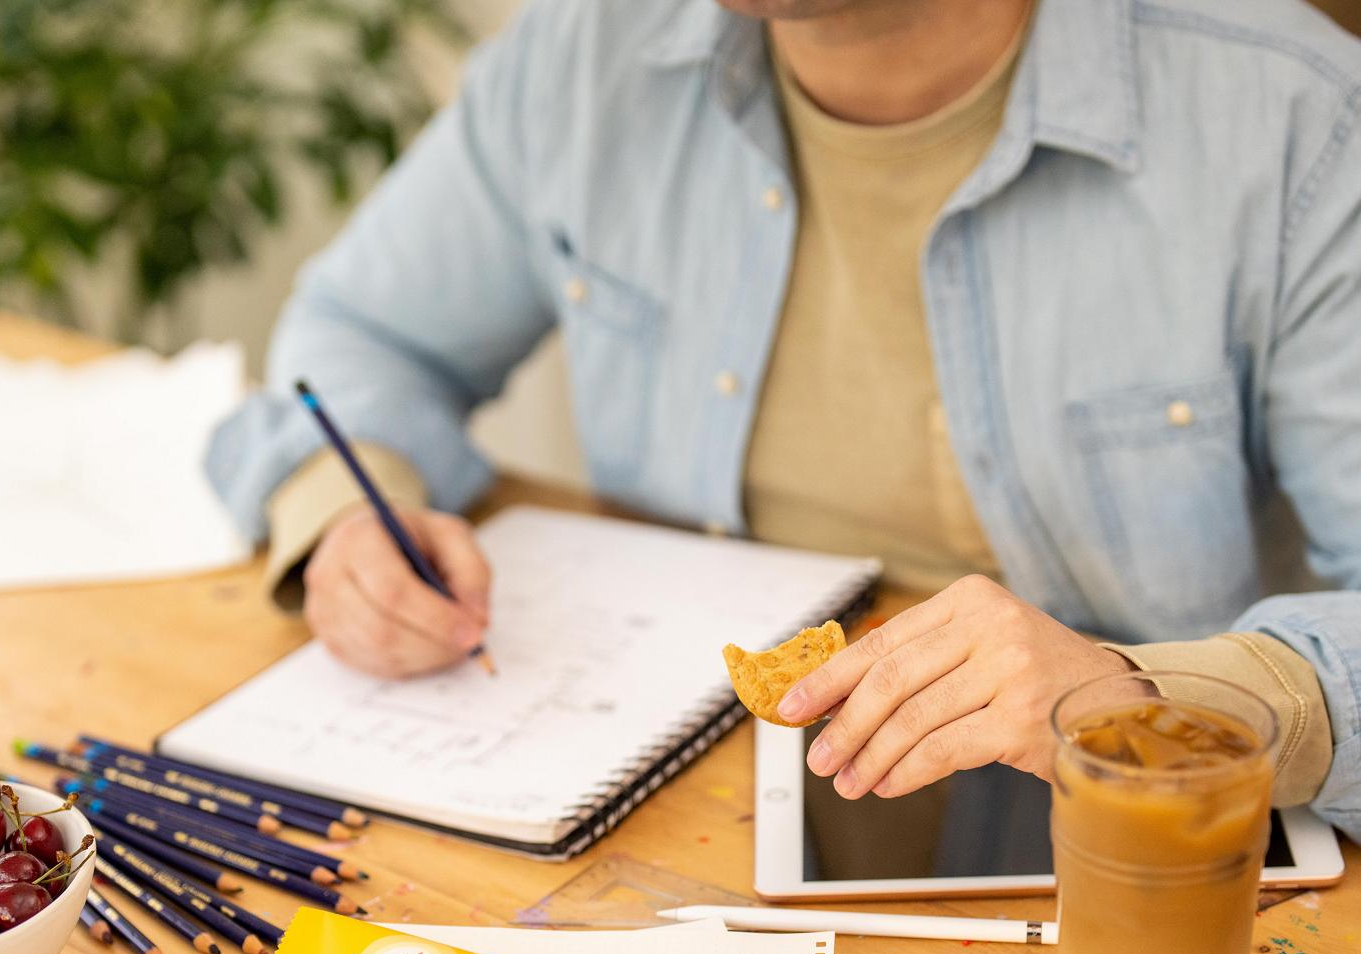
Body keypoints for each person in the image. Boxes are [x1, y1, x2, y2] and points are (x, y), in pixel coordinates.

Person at [208, 0, 1361, 840]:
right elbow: (362, 338)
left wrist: (1131, 697)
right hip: (659, 819)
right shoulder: (581, 56)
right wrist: (348, 517)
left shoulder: (1292, 117)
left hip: (1144, 853)